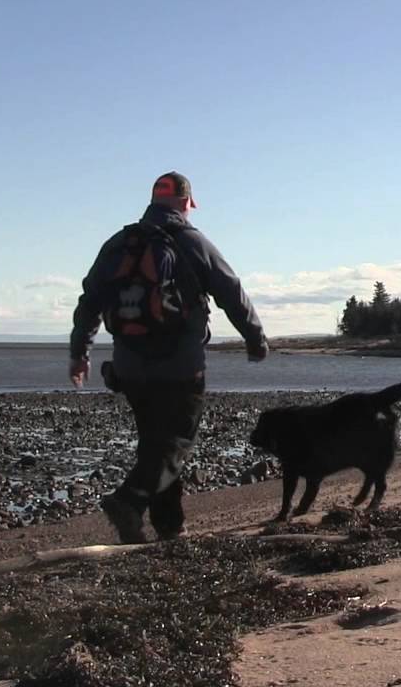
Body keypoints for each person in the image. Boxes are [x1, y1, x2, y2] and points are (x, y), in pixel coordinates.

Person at [68, 171, 268, 543]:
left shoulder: (118, 244)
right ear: (185, 203)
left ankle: (168, 527)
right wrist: (255, 339)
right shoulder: (191, 242)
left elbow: (89, 302)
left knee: (156, 443)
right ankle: (127, 501)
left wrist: (79, 353)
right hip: (181, 366)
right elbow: (231, 292)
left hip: (130, 367)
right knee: (175, 443)